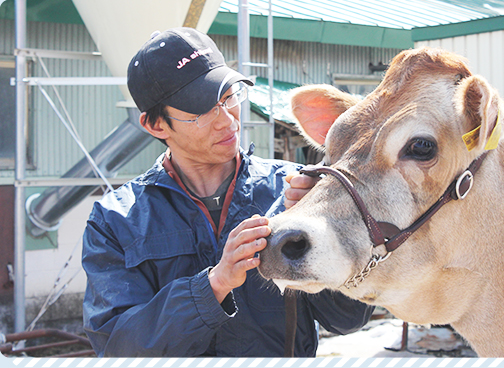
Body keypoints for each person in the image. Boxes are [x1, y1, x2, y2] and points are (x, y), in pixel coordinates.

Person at [82, 27, 373, 358]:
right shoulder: (116, 221)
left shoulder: (293, 188)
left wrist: (323, 231)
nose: (227, 121)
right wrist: (214, 286)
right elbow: (117, 347)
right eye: (200, 111)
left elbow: (348, 320)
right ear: (156, 125)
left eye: (228, 97)